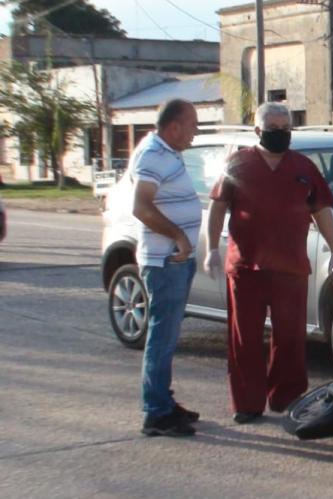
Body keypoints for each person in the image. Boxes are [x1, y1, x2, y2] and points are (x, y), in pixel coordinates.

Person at [205, 102, 333, 423]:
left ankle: (287, 398)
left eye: (286, 129)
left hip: (290, 269)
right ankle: (247, 402)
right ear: (258, 131)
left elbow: (321, 211)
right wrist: (212, 248)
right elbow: (218, 206)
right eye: (274, 130)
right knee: (245, 339)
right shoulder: (238, 163)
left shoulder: (303, 167)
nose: (281, 135)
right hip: (246, 270)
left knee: (291, 338)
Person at [131, 99, 202, 436]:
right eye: (192, 125)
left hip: (175, 260)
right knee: (161, 338)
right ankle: (156, 413)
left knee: (168, 337)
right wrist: (178, 236)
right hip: (164, 261)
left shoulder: (165, 152)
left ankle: (163, 400)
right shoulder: (153, 155)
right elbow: (141, 207)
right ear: (173, 127)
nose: (195, 132)